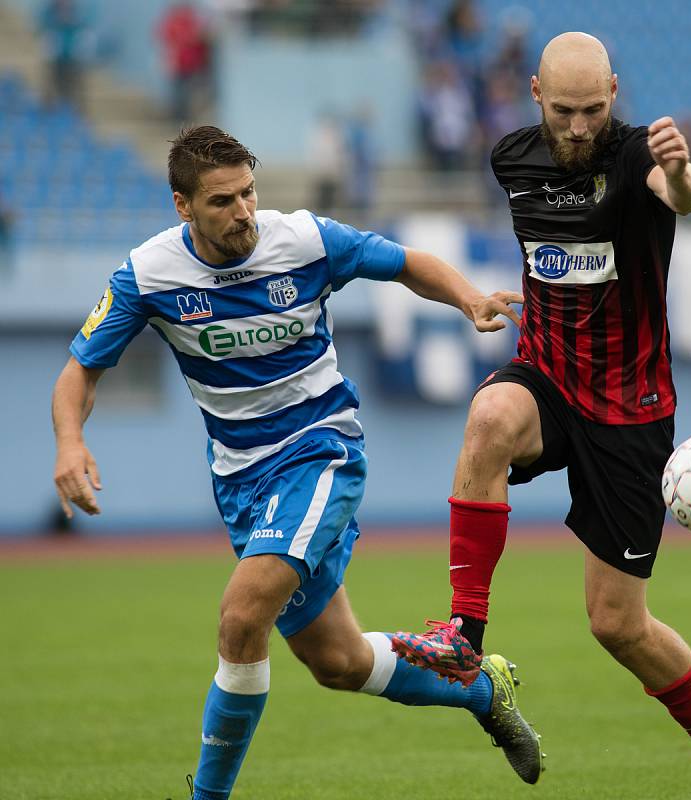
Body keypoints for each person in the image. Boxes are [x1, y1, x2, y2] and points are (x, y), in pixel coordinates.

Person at [51, 125, 544, 799]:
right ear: (182, 205)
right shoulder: (148, 273)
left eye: (248, 192)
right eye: (222, 201)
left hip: (322, 451)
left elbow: (402, 261)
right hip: (241, 480)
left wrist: (468, 298)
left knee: (240, 616)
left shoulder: (303, 240)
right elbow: (79, 371)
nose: (243, 212)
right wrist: (70, 443)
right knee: (337, 661)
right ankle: (483, 690)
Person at [392, 32, 691, 799]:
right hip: (550, 380)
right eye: (564, 111)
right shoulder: (511, 160)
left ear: (615, 95)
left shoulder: (637, 158)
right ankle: (465, 637)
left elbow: (684, 201)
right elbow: (559, 249)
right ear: (535, 94)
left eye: (594, 110)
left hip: (631, 412)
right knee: (491, 415)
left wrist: (681, 169)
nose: (578, 127)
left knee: (617, 626)